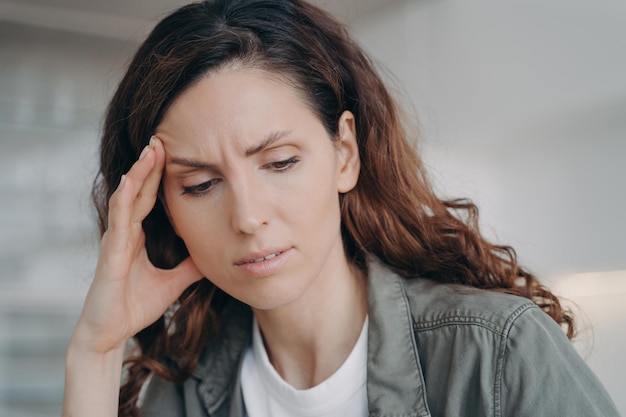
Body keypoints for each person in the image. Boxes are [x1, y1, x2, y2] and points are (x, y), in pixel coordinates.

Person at [62, 0, 621, 416]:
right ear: (165, 210)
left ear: (345, 154)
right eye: (201, 185)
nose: (248, 217)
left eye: (279, 162)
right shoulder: (182, 394)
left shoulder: (494, 355)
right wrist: (97, 348)